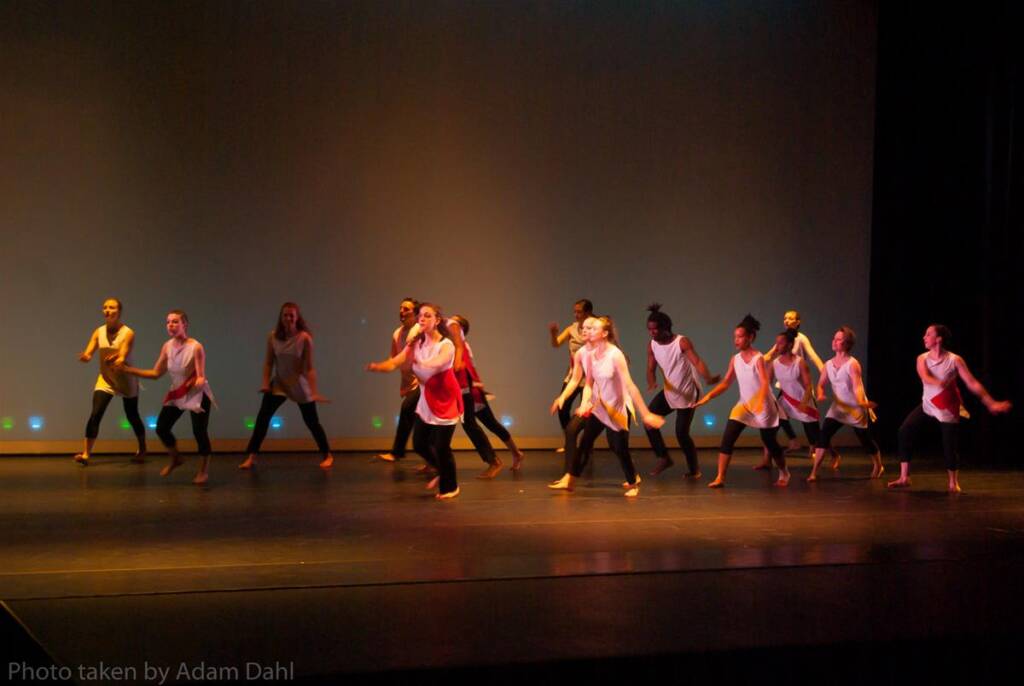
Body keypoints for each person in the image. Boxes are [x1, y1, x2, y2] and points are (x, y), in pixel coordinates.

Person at [548, 316, 665, 497]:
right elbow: (587, 383)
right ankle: (570, 478)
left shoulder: (615, 355)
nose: (587, 331)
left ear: (604, 334)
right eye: (586, 328)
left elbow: (630, 386)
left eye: (593, 328)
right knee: (585, 441)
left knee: (618, 447)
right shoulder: (589, 354)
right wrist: (581, 401)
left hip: (617, 407)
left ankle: (633, 482)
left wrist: (646, 413)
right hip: (600, 406)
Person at [888, 324, 1011, 492]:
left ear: (939, 339)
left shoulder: (954, 360)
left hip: (947, 407)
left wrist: (991, 403)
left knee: (949, 445)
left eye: (928, 334)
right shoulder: (922, 358)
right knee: (905, 431)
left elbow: (972, 383)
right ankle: (904, 477)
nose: (924, 337)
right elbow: (925, 376)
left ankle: (953, 483)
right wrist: (939, 383)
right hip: (928, 405)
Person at [367, 303, 463, 499]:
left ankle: (451, 486)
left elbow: (437, 364)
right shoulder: (416, 344)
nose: (422, 318)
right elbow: (396, 361)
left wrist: (420, 363)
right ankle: (441, 470)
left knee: (442, 447)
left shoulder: (446, 345)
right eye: (420, 315)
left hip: (445, 401)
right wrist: (379, 366)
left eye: (428, 315)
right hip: (426, 400)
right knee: (419, 444)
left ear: (437, 320)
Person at [117, 310, 215, 485]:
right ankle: (176, 458)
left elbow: (200, 375)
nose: (171, 325)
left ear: (185, 324)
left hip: (196, 393)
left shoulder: (196, 347)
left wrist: (198, 382)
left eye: (175, 322)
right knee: (162, 427)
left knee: (199, 431)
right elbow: (156, 373)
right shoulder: (167, 346)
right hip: (177, 392)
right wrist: (128, 370)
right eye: (168, 322)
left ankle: (203, 471)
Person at [695, 315, 790, 488]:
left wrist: (761, 402)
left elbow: (764, 382)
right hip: (744, 405)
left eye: (740, 336)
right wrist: (708, 397)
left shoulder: (758, 358)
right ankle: (720, 477)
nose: (736, 340)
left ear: (750, 337)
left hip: (764, 406)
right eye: (735, 337)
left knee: (770, 442)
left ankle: (784, 471)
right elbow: (725, 383)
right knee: (728, 438)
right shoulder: (735, 359)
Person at [238, 303, 333, 470]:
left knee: (312, 422)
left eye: (291, 315)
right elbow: (268, 363)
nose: (288, 318)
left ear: (297, 317)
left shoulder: (304, 338)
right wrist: (265, 383)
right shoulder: (273, 337)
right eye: (285, 315)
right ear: (281, 318)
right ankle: (252, 456)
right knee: (262, 419)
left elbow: (310, 367)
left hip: (299, 384)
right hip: (280, 384)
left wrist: (314, 391)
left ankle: (327, 455)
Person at [643, 304, 720, 478]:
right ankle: (664, 457)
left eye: (655, 330)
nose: (652, 333)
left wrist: (708, 377)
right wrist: (652, 381)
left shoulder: (681, 342)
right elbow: (650, 368)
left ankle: (694, 470)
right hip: (670, 392)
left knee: (681, 434)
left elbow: (697, 362)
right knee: (649, 421)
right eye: (649, 330)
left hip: (688, 393)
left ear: (665, 328)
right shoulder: (652, 345)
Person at [75, 298, 146, 465]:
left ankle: (142, 448)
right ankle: (86, 454)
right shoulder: (99, 332)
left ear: (119, 311)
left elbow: (123, 354)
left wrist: (119, 358)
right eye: (105, 307)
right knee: (96, 413)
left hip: (125, 379)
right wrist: (85, 357)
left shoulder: (128, 332)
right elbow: (89, 352)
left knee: (132, 415)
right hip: (106, 378)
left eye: (112, 307)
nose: (107, 310)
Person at [450, 315, 525, 473]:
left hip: (472, 390)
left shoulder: (461, 345)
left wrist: (476, 386)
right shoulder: (452, 345)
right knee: (486, 423)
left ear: (460, 329)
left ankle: (510, 456)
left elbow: (468, 368)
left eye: (454, 322)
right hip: (468, 389)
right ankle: (515, 454)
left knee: (487, 423)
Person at [806, 326, 883, 481]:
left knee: (865, 440)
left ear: (847, 344)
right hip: (838, 408)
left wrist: (862, 402)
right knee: (823, 436)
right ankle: (814, 472)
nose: (834, 341)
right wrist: (820, 394)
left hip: (855, 407)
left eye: (838, 339)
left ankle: (878, 465)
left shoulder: (852, 364)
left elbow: (857, 386)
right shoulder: (828, 364)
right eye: (834, 338)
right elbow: (821, 384)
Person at [763, 310, 825, 456]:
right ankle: (793, 441)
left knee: (808, 420)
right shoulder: (782, 339)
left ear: (798, 322)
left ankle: (816, 446)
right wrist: (754, 359)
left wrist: (825, 373)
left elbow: (813, 356)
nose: (787, 320)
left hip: (800, 386)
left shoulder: (801, 339)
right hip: (785, 386)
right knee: (778, 414)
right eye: (785, 318)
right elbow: (771, 354)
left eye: (791, 318)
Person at [375, 298, 420, 463]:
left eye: (406, 309)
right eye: (400, 308)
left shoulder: (419, 330)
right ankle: (432, 461)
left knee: (407, 409)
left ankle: (397, 452)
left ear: (415, 313)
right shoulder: (397, 333)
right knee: (423, 423)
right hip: (408, 382)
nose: (402, 311)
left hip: (423, 383)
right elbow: (393, 359)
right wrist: (380, 366)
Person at [548, 299, 594, 436]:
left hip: (590, 377)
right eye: (574, 311)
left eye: (579, 312)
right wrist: (553, 334)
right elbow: (556, 344)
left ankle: (586, 446)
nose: (576, 314)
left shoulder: (595, 329)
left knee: (586, 413)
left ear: (588, 312)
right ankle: (570, 438)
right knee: (562, 408)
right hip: (573, 375)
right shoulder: (571, 329)